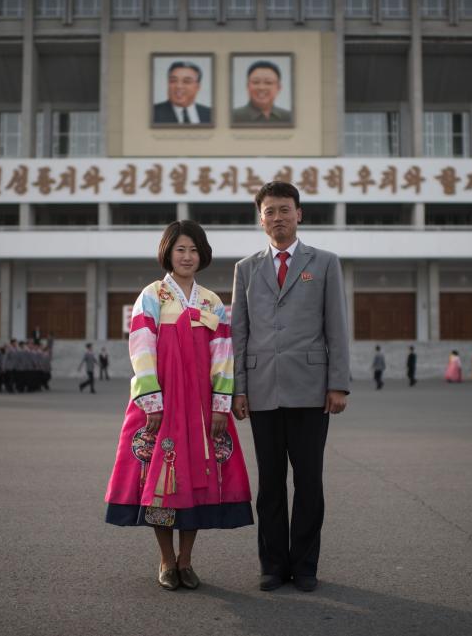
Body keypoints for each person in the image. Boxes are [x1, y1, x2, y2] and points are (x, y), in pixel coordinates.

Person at [105, 220, 253, 592]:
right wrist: (152, 401)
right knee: (161, 480)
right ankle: (166, 560)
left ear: (203, 255)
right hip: (162, 404)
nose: (187, 256)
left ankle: (186, 561)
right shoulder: (152, 296)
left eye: (193, 249)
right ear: (168, 253)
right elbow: (141, 349)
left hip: (202, 409)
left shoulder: (212, 302)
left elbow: (223, 357)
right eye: (180, 249)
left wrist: (221, 406)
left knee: (197, 481)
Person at [231, 181, 350, 593]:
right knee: (269, 485)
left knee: (309, 483)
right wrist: (238, 389)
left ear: (299, 214)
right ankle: (273, 564)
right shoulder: (245, 269)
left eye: (285, 209)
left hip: (312, 390)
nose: (277, 217)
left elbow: (336, 326)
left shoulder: (326, 262)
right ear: (259, 218)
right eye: (269, 211)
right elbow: (239, 332)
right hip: (262, 390)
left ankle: (305, 565)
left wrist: (338, 384)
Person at [153, 61, 212, 125]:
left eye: (186, 81)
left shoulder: (210, 114)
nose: (179, 86)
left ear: (198, 87)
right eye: (173, 81)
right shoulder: (153, 113)